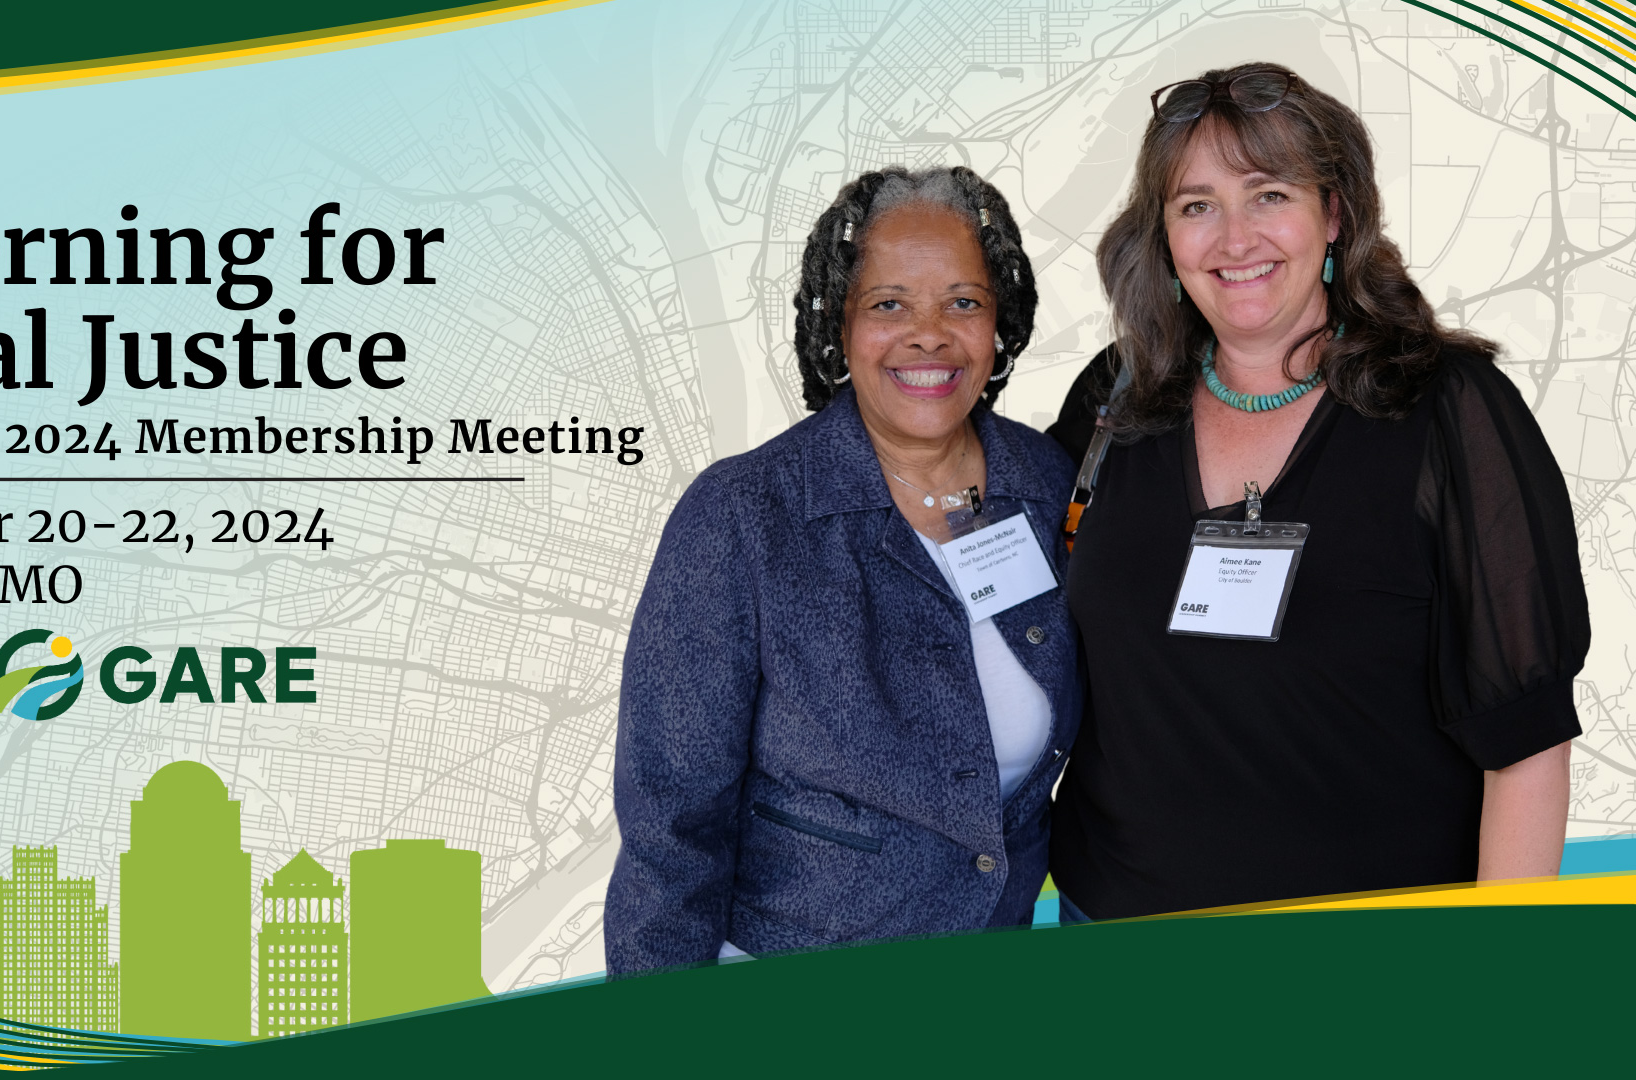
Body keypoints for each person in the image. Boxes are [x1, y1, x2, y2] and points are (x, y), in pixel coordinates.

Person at [1046, 63, 1587, 922]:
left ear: (1333, 213)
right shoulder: (1115, 400)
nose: (1234, 239)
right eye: (1196, 205)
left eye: (1269, 194)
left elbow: (1525, 745)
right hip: (1109, 933)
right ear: (1164, 235)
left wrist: (1493, 983)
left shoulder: (1449, 409)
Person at [604, 166, 1081, 976]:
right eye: (889, 304)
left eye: (962, 302)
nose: (928, 335)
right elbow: (670, 824)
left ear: (1001, 321)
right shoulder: (744, 516)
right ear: (841, 325)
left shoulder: (1048, 483)